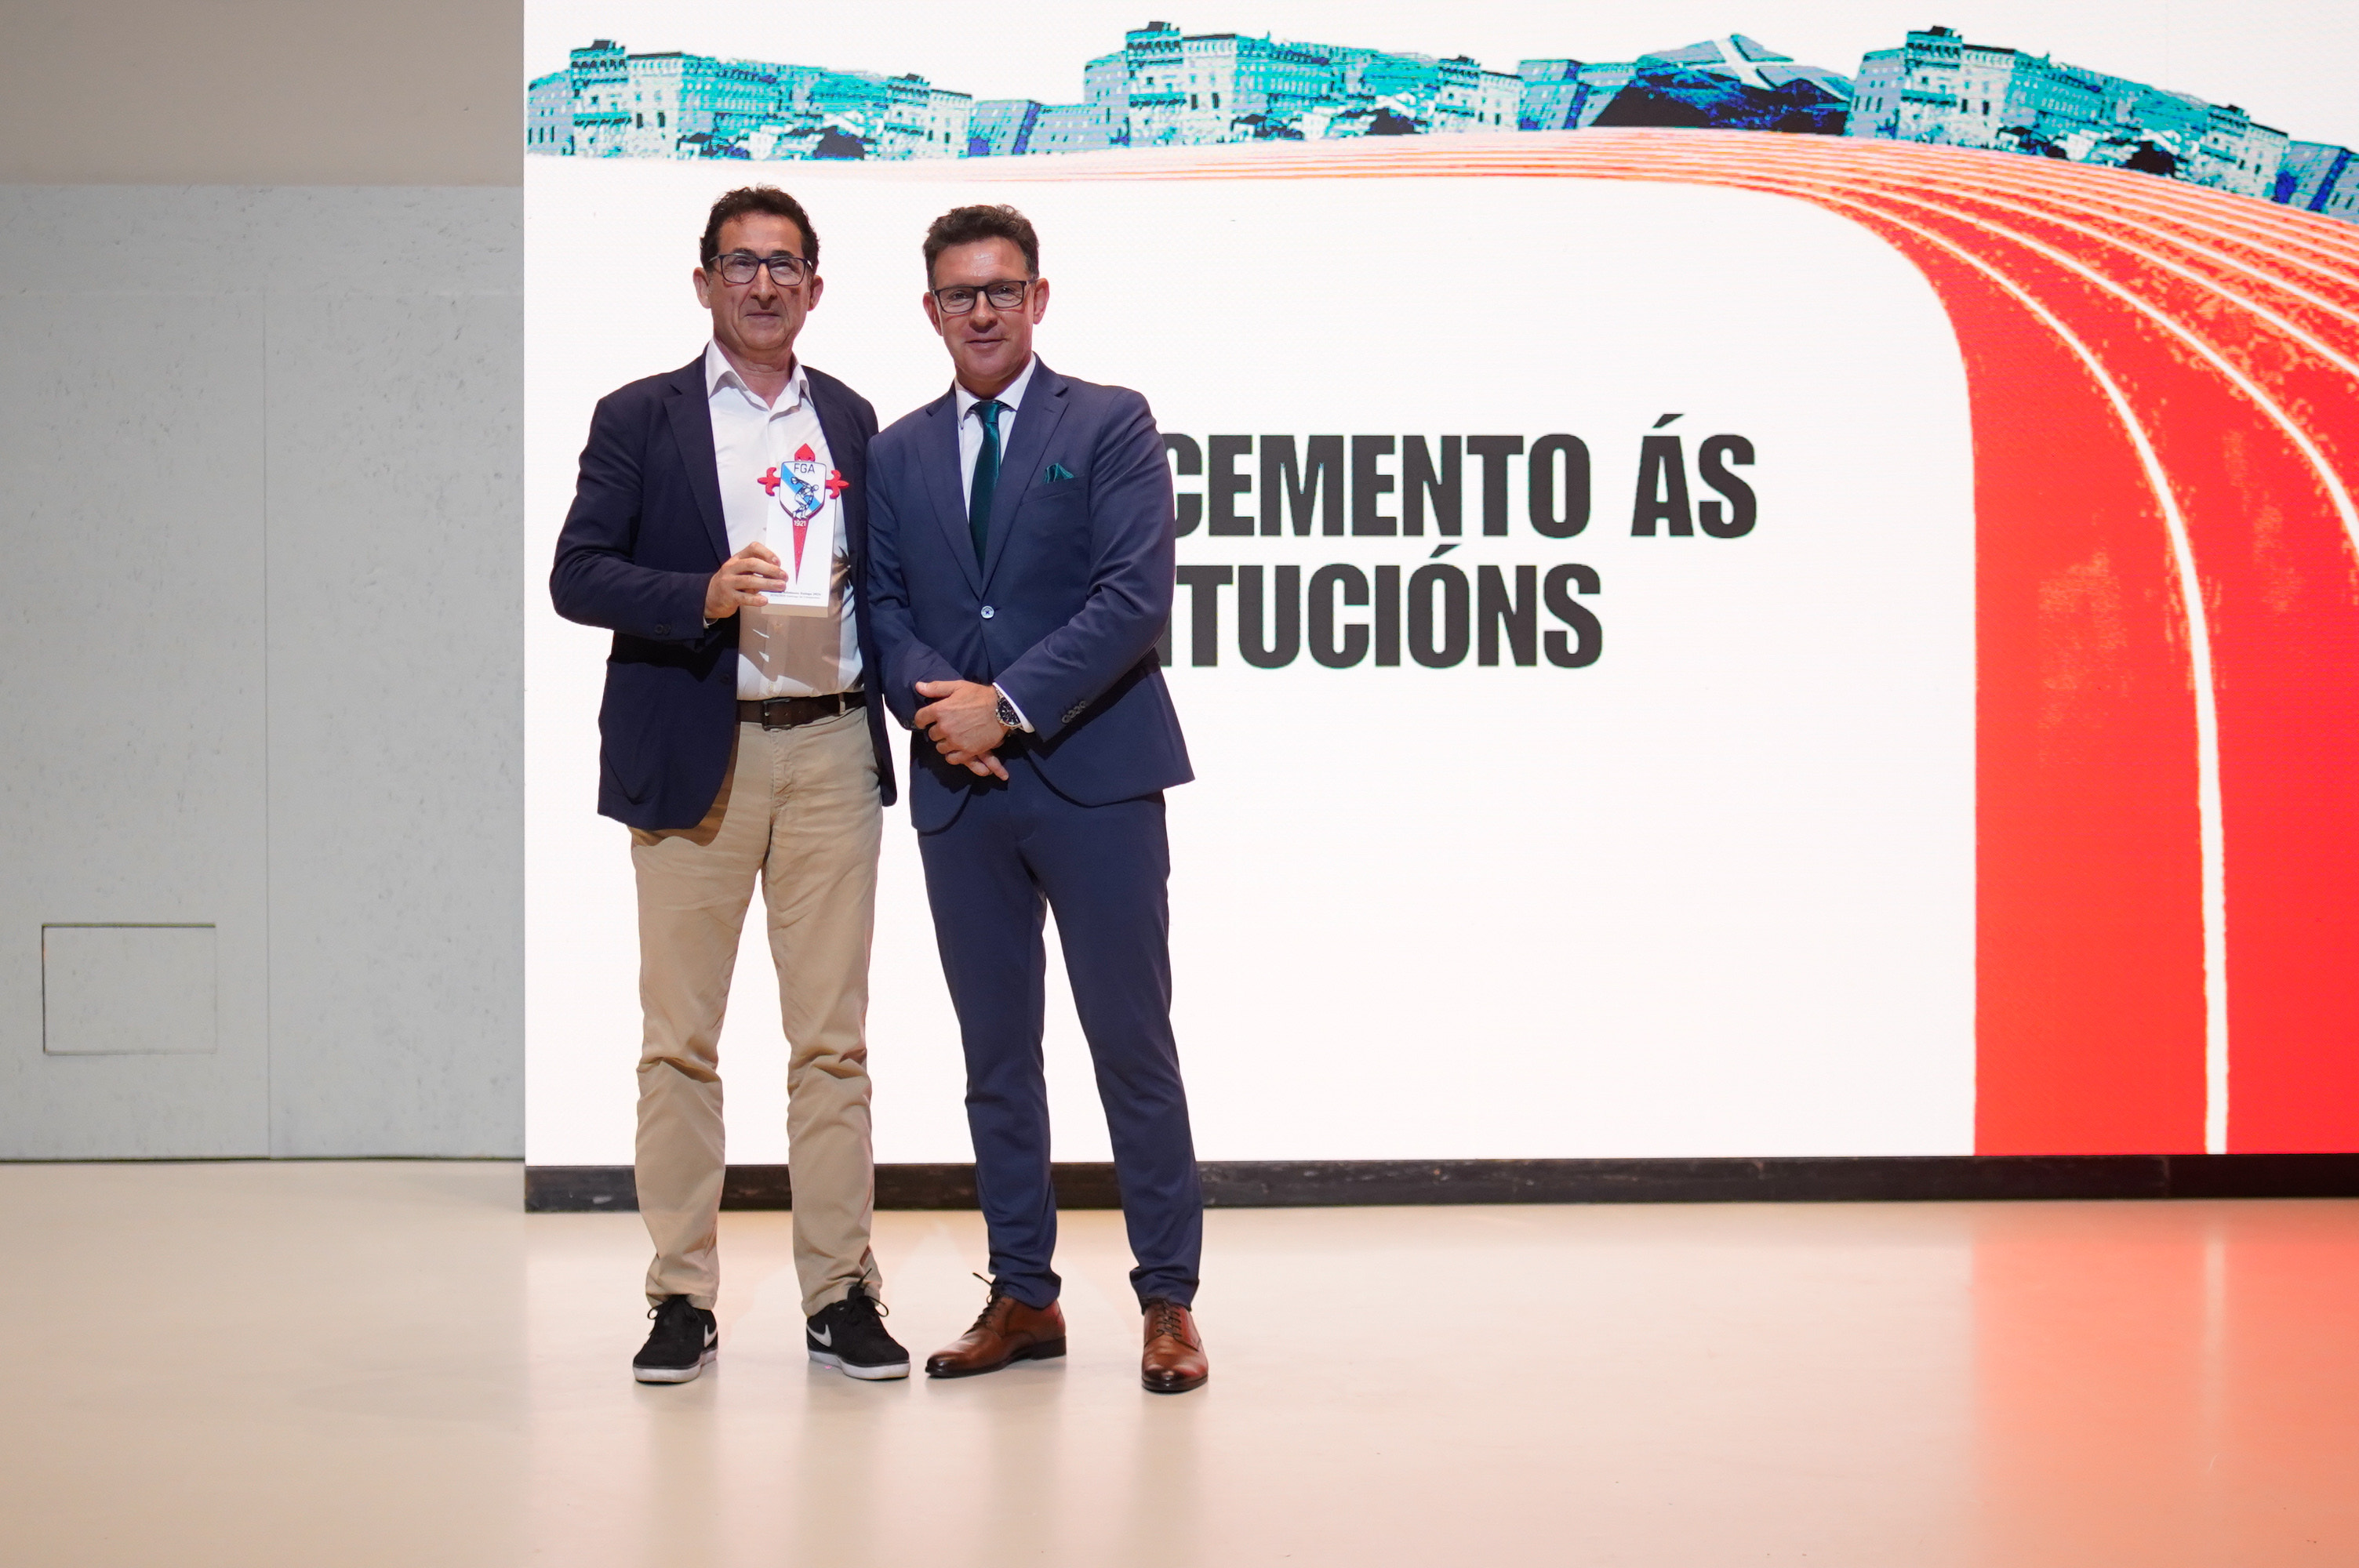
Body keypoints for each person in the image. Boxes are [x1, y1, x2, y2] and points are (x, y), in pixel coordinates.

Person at [551, 186, 910, 1385]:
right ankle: (681, 1296)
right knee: (680, 1045)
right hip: (695, 749)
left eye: (784, 264)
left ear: (816, 286)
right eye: (741, 263)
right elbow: (577, 574)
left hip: (830, 747)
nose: (763, 284)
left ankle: (839, 1293)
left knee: (833, 1045)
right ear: (703, 281)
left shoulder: (851, 418)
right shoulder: (639, 417)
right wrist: (697, 595)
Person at [866, 204, 1209, 1394]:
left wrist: (1003, 705)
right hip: (961, 795)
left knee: (1132, 1048)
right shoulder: (897, 452)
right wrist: (941, 711)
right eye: (960, 294)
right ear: (931, 310)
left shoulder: (1109, 422)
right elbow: (883, 609)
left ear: (1039, 299)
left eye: (1002, 290)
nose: (983, 311)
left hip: (1096, 779)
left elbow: (1133, 598)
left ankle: (1168, 1301)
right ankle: (1024, 1295)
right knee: (996, 1059)